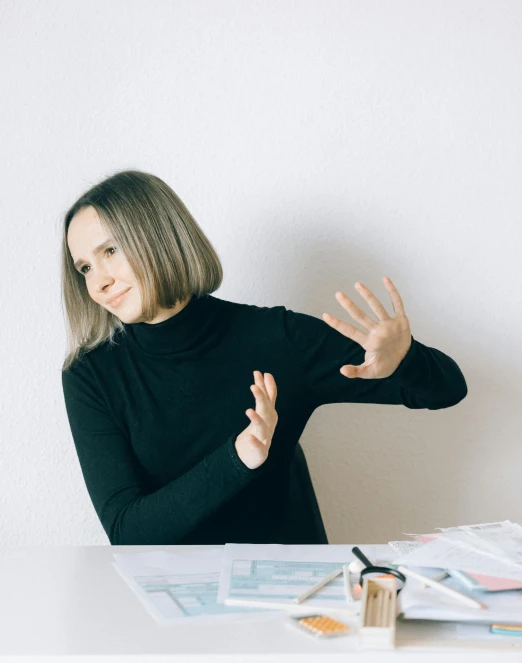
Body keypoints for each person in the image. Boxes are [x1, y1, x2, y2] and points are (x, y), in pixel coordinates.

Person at [61, 169, 467, 545]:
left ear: (157, 237)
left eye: (110, 250)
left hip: (291, 596)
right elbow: (126, 531)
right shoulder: (90, 375)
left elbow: (449, 389)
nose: (98, 281)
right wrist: (238, 459)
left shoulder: (279, 339)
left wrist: (406, 360)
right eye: (84, 267)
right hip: (167, 602)